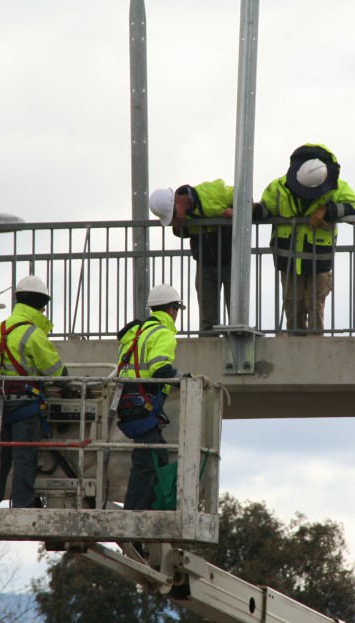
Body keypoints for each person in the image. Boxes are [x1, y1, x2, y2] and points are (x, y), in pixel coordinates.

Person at [253, 143, 355, 334]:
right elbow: (266, 208)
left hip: (318, 261)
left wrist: (328, 209)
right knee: (293, 308)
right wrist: (253, 210)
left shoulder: (338, 187)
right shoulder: (278, 187)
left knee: (315, 307)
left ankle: (315, 350)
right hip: (288, 261)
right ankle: (295, 349)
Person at [0, 274, 68, 508]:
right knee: (24, 457)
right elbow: (58, 374)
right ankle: (23, 503)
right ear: (41, 306)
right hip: (24, 407)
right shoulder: (33, 334)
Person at [113, 283, 189, 510]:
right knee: (146, 463)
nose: (176, 315)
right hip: (144, 405)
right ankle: (134, 514)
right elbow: (159, 369)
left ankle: (153, 510)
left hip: (128, 402)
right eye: (176, 309)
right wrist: (187, 379)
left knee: (160, 459)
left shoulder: (137, 332)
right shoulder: (163, 333)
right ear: (171, 310)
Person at [149, 180, 234, 334]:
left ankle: (237, 341)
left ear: (179, 201)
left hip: (231, 262)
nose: (174, 221)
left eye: (173, 215)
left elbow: (242, 196)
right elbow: (181, 231)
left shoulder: (213, 194)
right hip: (205, 263)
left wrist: (236, 211)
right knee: (208, 320)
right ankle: (209, 346)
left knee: (236, 314)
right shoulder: (183, 214)